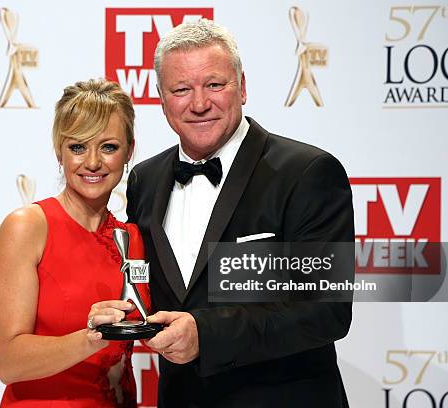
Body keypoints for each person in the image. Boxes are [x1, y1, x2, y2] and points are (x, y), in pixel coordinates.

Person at [126, 19, 354, 407]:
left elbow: (326, 311)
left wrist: (206, 334)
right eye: (181, 89)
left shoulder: (307, 172)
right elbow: (145, 287)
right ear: (162, 100)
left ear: (243, 87)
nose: (199, 103)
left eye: (215, 84)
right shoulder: (143, 180)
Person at [0, 78, 149, 408]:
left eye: (108, 147)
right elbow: (9, 363)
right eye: (78, 147)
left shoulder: (132, 238)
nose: (92, 162)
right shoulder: (27, 226)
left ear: (129, 151)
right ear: (59, 151)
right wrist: (91, 338)